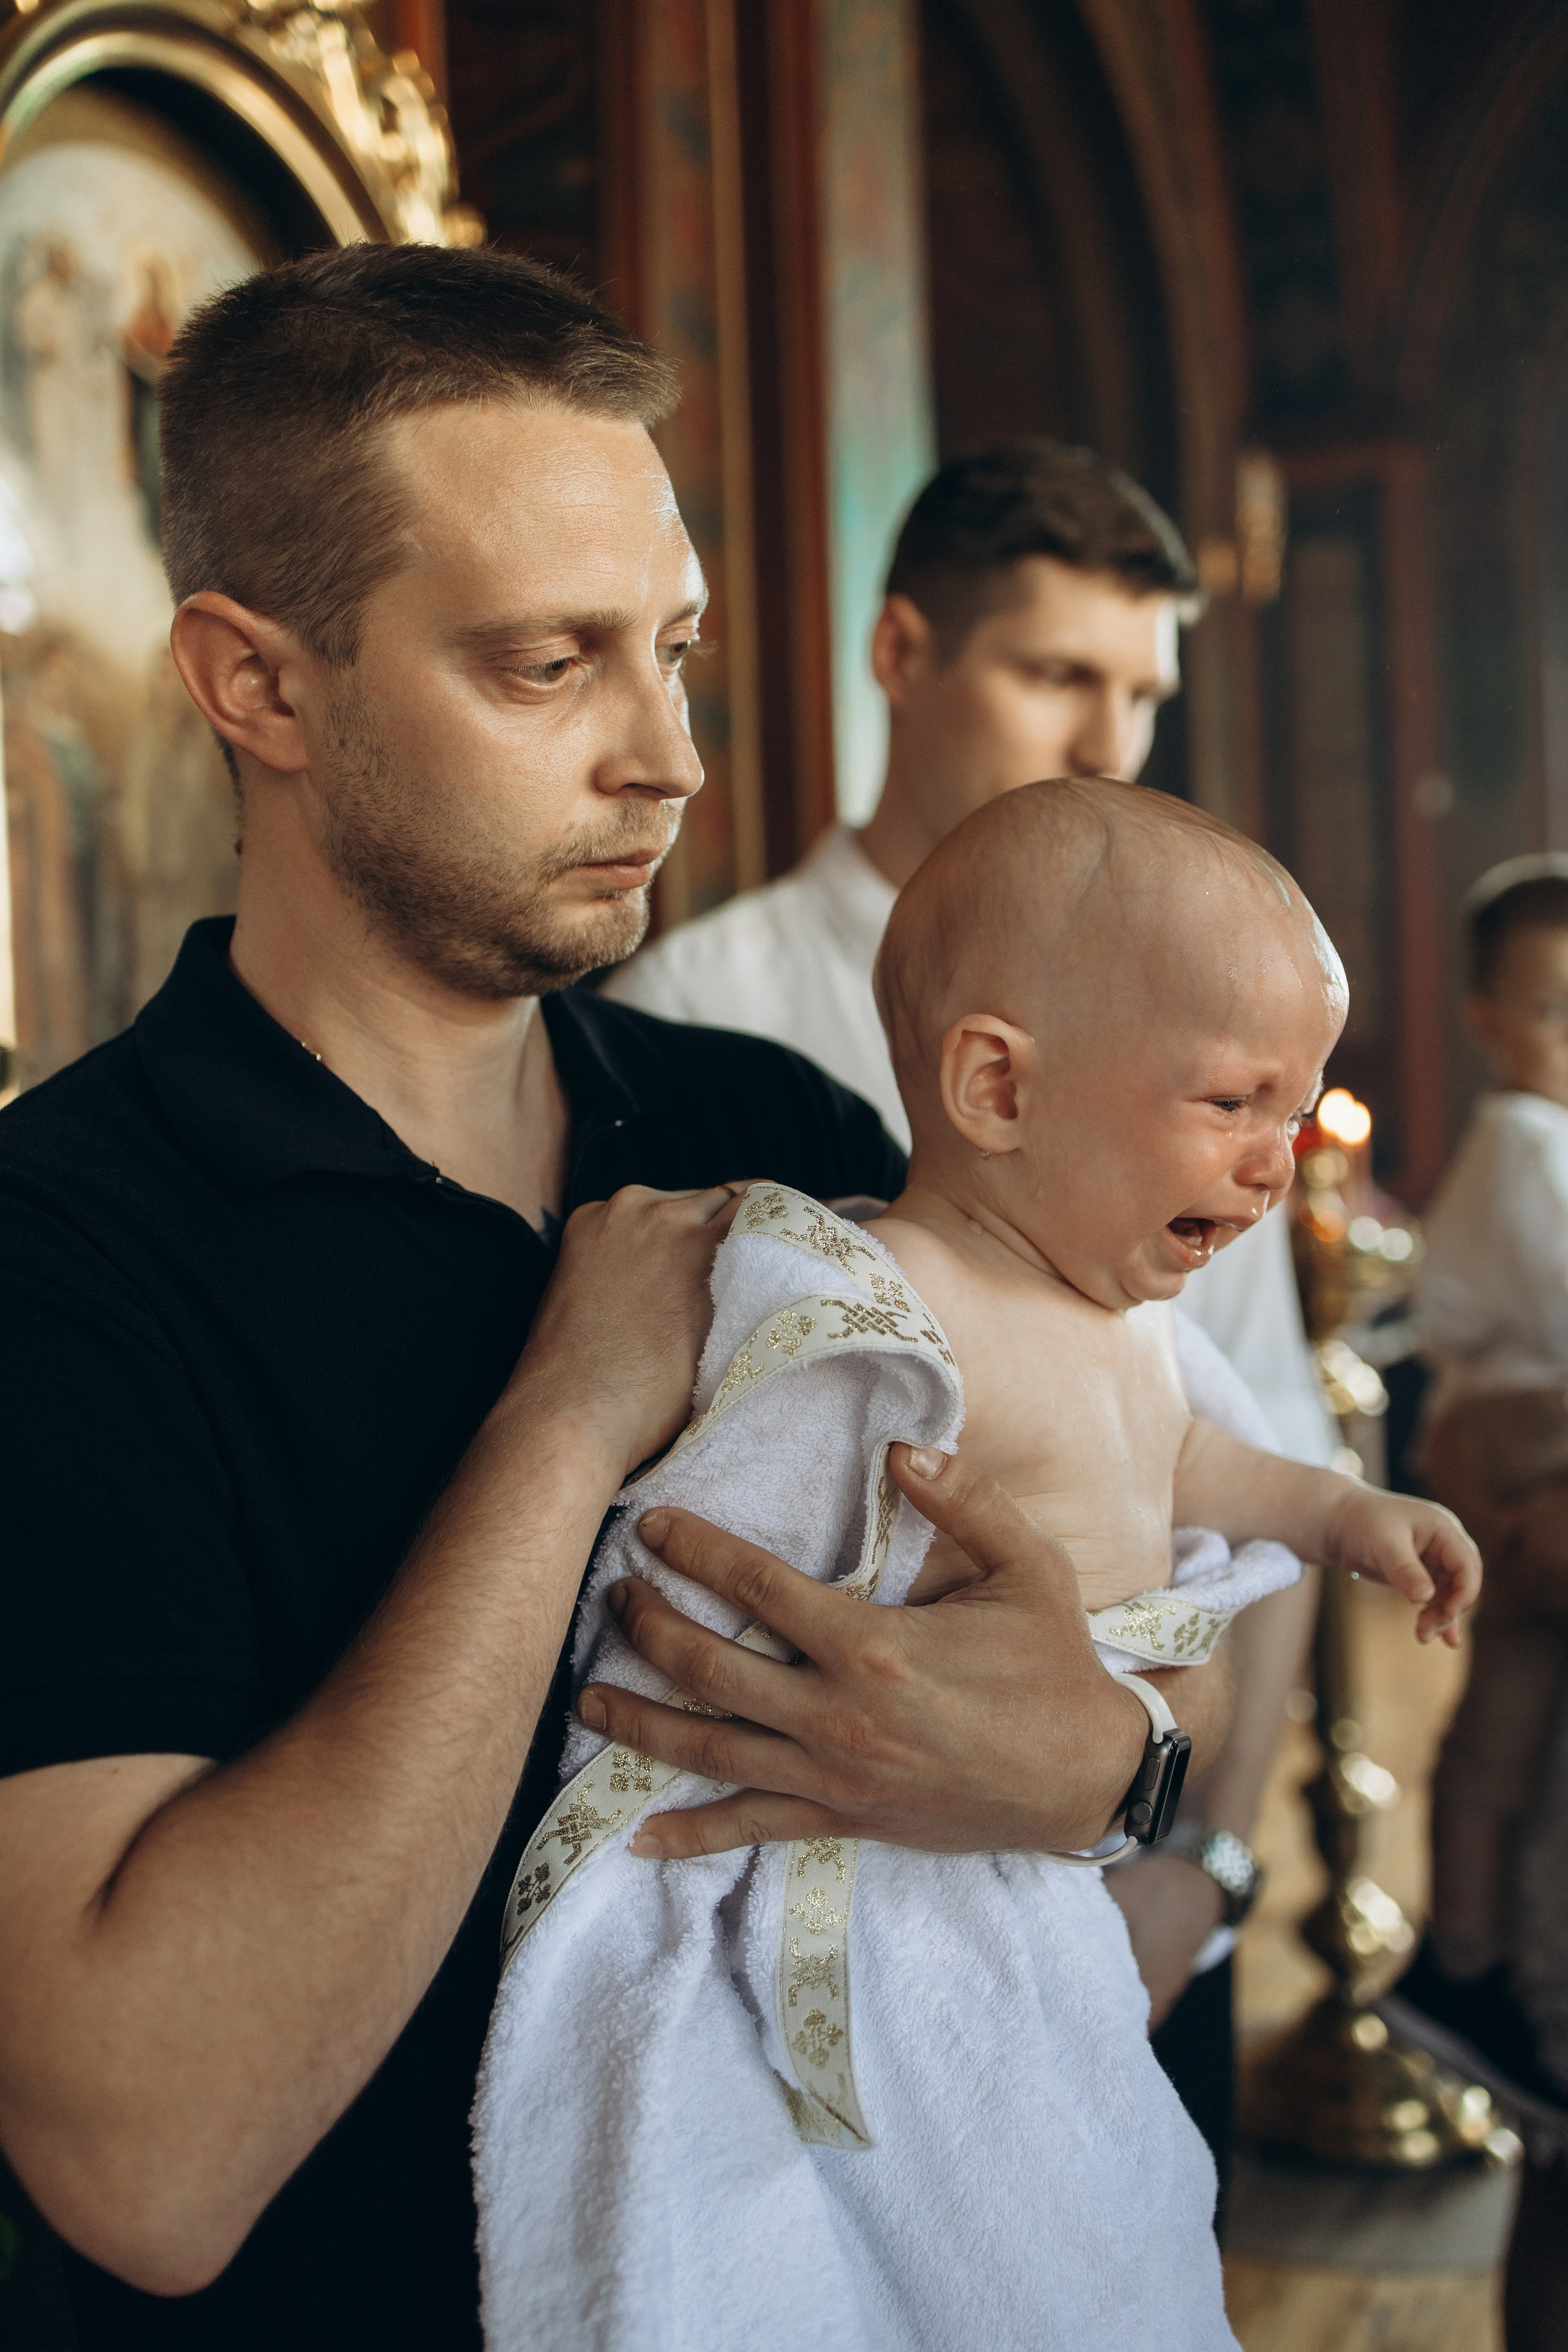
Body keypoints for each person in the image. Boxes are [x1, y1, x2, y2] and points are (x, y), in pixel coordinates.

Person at [0, 244, 1237, 2352]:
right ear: (258, 684)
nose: (667, 755)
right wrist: (563, 1429)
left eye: (672, 649)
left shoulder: (784, 1125)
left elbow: (1117, 1669)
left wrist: (1113, 1777)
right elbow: (151, 2162)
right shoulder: (60, 1250)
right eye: (545, 665)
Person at [476, 780, 1477, 2352]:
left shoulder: (1134, 1322)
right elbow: (726, 1542)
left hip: (1033, 1877)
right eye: (1231, 1103)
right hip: (884, 1881)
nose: (1277, 1160)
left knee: (1093, 2210)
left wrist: (1344, 1516)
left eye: (1297, 1112)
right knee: (916, 2231)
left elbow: (1201, 1465)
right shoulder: (881, 1308)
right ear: (998, 1088)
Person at [605, 439, 1332, 2187]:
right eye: (1055, 673)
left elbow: (1271, 1468)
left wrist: (1200, 1869)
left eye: (1141, 690)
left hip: (1145, 1884)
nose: (1109, 740)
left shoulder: (1203, 1028)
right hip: (827, 1916)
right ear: (903, 656)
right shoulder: (706, 1006)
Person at [1392, 856, 1568, 2348]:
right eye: (1549, 1011)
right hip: (1529, 1454)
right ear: (1486, 1022)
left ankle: (1458, 1958)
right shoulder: (1525, 1142)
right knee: (1498, 1726)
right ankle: (1454, 1958)